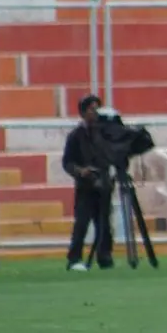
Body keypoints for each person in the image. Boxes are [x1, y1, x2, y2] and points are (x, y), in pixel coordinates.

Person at [62, 94, 114, 271]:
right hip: (85, 186)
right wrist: (80, 171)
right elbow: (67, 162)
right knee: (82, 223)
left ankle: (104, 256)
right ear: (83, 113)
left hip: (104, 184)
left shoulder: (105, 133)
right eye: (92, 109)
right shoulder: (75, 136)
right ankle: (74, 257)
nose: (96, 113)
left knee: (104, 223)